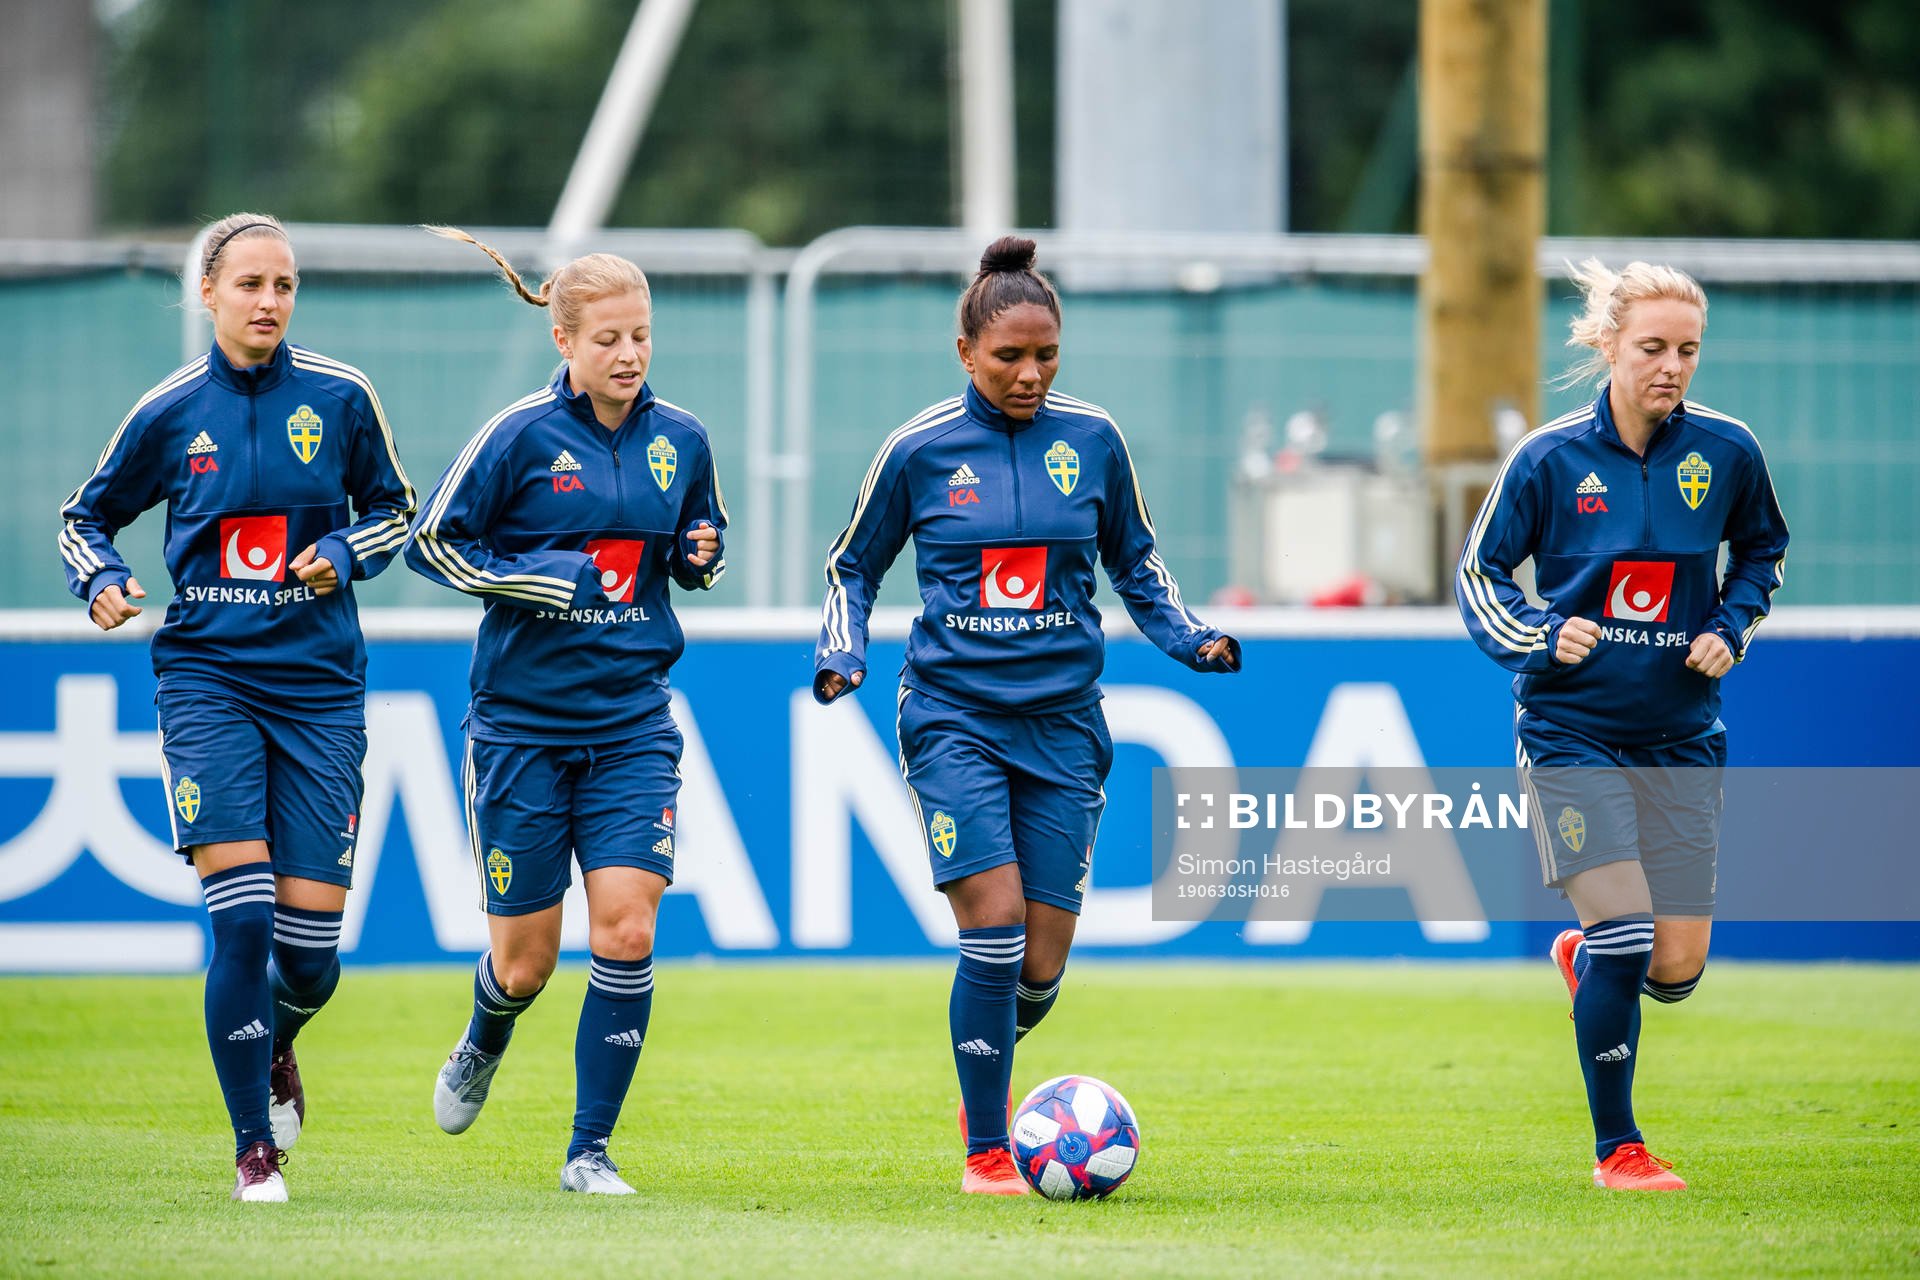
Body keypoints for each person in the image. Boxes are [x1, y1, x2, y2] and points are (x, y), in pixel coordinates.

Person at [813, 236, 1240, 1195]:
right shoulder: (919, 450)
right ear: (965, 352)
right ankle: (987, 1151)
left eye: (1046, 354)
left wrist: (1192, 638)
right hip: (954, 715)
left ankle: (989, 1077)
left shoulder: (1092, 440)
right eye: (1009, 356)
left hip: (1064, 726)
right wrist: (844, 652)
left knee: (1038, 968)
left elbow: (1137, 562)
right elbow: (854, 564)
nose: (1030, 373)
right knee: (995, 924)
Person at [58, 213, 417, 1202]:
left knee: (309, 960)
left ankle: (279, 1040)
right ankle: (253, 1147)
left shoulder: (341, 398)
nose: (269, 300)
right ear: (208, 292)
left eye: (285, 284)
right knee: (245, 920)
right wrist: (102, 580)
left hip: (320, 693)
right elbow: (85, 516)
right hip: (207, 682)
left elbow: (396, 507)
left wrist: (344, 551)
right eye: (251, 283)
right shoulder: (170, 411)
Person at [405, 227, 727, 1196]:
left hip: (632, 720)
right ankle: (484, 1033)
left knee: (627, 928)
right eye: (609, 339)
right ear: (565, 342)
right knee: (527, 961)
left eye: (642, 336)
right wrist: (542, 578)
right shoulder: (517, 438)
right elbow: (434, 545)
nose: (629, 354)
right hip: (520, 729)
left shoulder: (682, 439)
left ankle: (589, 1150)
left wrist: (700, 557)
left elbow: (687, 545)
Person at [1455, 259, 1788, 1190]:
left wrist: (1730, 625)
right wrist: (1538, 634)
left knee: (1674, 970)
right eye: (1651, 347)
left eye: (1687, 349)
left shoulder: (1726, 453)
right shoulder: (1550, 459)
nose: (1671, 366)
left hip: (1682, 735)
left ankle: (1587, 958)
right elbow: (1479, 574)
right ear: (1608, 345)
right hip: (1571, 732)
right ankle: (1619, 1151)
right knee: (1628, 936)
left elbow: (1764, 549)